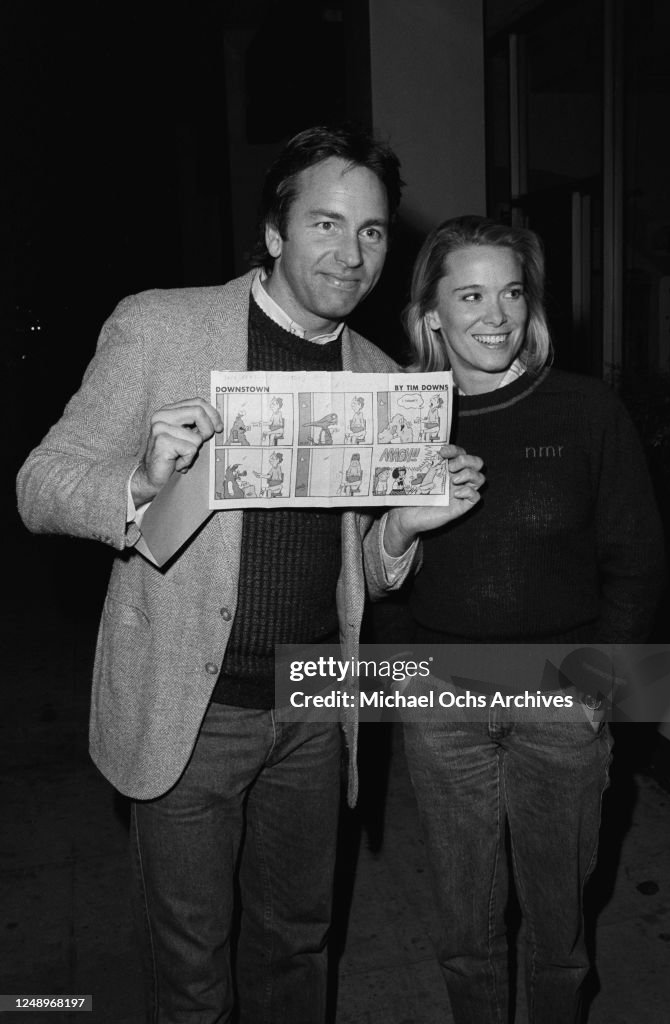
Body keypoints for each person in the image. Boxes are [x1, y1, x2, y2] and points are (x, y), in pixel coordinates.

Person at [15, 129, 484, 1024]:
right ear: (274, 233)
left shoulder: (381, 379)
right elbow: (40, 484)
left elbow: (371, 579)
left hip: (312, 705)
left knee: (298, 943)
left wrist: (402, 533)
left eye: (374, 232)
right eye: (325, 222)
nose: (350, 253)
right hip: (193, 711)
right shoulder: (161, 325)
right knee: (192, 968)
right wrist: (140, 483)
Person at [397, 215, 664, 1024]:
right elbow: (367, 567)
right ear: (431, 313)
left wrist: (600, 686)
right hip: (440, 699)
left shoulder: (585, 410)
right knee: (462, 922)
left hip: (556, 695)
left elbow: (637, 558)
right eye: (469, 293)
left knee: (557, 922)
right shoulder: (402, 416)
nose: (495, 314)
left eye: (511, 292)